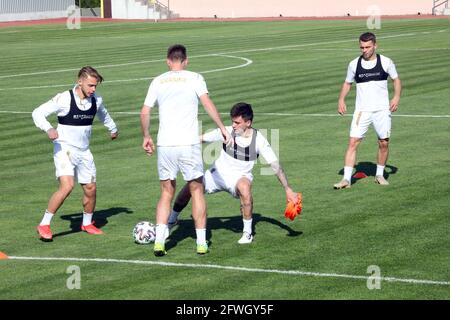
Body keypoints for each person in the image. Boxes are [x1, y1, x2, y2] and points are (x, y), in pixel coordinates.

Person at [140, 44, 231, 256]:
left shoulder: (158, 80)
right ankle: (201, 243)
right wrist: (221, 127)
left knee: (166, 193)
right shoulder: (195, 78)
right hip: (188, 143)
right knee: (196, 190)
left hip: (165, 144)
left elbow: (145, 111)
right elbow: (206, 102)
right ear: (186, 60)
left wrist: (146, 136)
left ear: (168, 61)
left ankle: (160, 242)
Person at [167, 102, 300, 244]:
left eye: (237, 122)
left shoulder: (259, 140)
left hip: (239, 177)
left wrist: (288, 189)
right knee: (190, 186)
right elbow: (200, 139)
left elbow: (275, 166)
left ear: (248, 123)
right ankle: (172, 220)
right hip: (216, 174)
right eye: (232, 122)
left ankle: (248, 233)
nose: (234, 125)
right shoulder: (227, 131)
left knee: (244, 187)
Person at [32, 66, 118, 241]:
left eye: (95, 86)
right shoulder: (64, 98)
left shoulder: (97, 99)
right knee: (67, 186)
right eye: (90, 85)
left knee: (90, 188)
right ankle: (44, 224)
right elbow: (37, 113)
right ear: (80, 81)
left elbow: (103, 114)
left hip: (84, 151)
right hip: (64, 148)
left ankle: (87, 223)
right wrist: (48, 128)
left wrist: (112, 128)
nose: (93, 89)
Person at [334, 32, 401, 189]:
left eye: (367, 47)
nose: (364, 50)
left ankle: (379, 175)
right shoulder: (354, 64)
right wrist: (341, 99)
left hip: (382, 110)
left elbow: (396, 80)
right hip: (362, 111)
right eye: (361, 47)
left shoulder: (385, 62)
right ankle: (346, 180)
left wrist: (396, 97)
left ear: (375, 46)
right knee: (352, 142)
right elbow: (347, 83)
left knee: (383, 142)